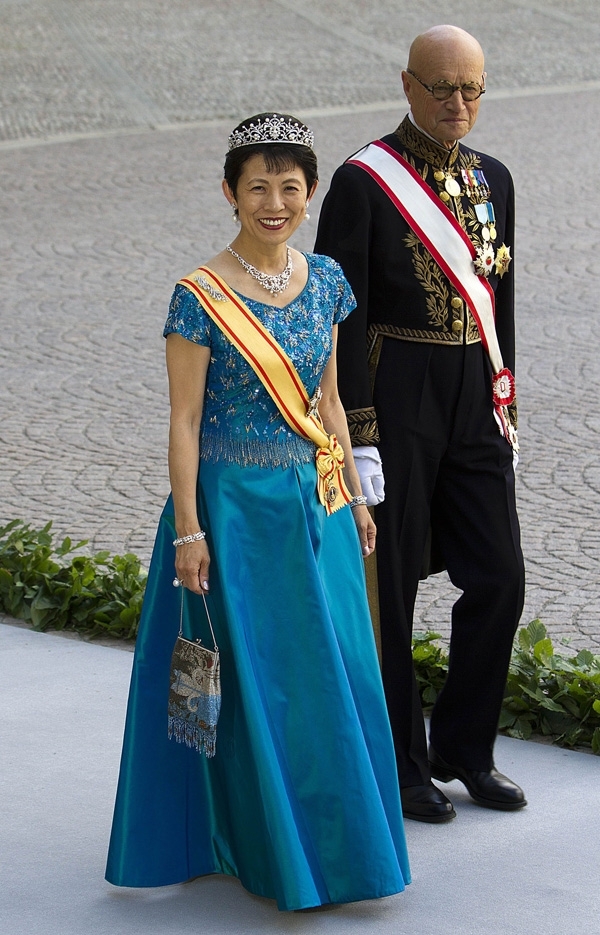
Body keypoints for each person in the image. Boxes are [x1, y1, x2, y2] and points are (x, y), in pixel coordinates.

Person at [105, 112, 410, 910]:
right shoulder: (199, 295)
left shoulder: (330, 282)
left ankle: (342, 845)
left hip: (316, 507)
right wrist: (190, 529)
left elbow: (332, 402)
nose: (273, 203)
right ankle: (250, 842)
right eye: (256, 188)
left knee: (334, 673)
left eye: (289, 187)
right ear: (230, 193)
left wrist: (352, 497)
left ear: (309, 194)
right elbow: (182, 421)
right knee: (255, 681)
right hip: (233, 514)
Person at [315, 26, 527, 823]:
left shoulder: (495, 178)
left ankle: (465, 746)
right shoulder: (362, 183)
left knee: (500, 574)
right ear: (407, 86)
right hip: (396, 394)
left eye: (472, 89)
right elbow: (344, 312)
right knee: (390, 587)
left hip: (475, 388)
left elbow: (501, 300)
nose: (458, 104)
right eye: (442, 88)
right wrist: (356, 434)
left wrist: (506, 397)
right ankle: (401, 762)